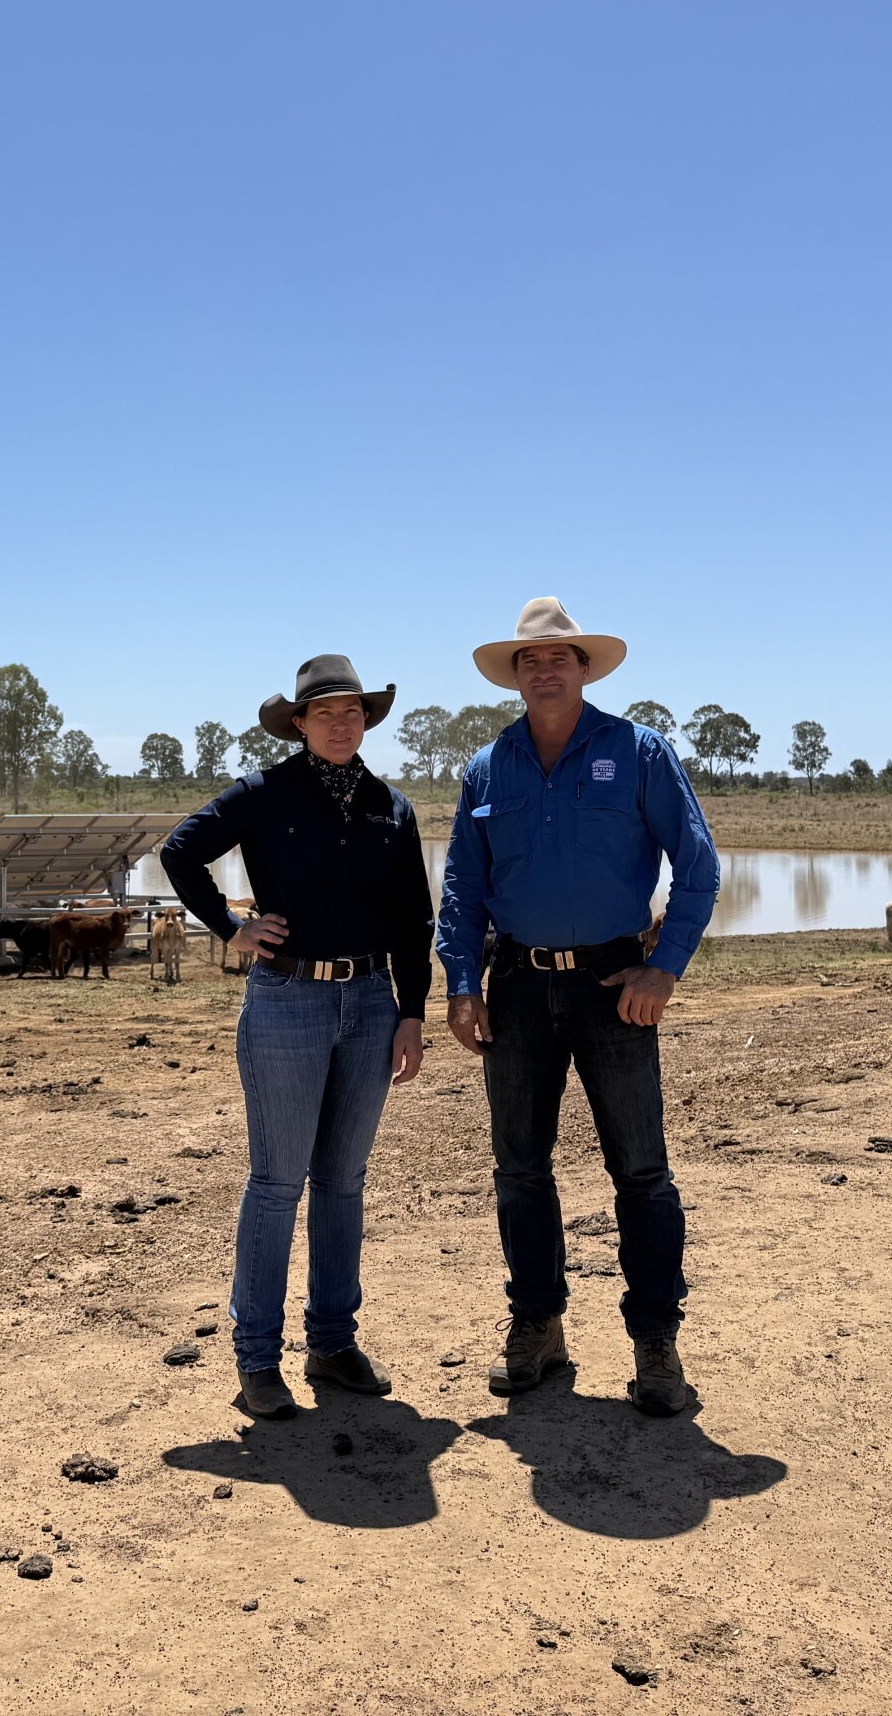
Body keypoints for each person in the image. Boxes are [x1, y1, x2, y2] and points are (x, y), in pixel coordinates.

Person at [436, 597, 721, 1416]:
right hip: (518, 986)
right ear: (514, 676)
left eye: (559, 656)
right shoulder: (488, 769)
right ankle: (538, 1325)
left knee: (641, 1169)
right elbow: (462, 890)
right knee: (519, 1168)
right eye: (530, 660)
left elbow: (698, 866)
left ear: (585, 667)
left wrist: (663, 970)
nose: (545, 669)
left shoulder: (638, 752)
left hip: (612, 986)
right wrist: (462, 983)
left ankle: (656, 1342)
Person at [161, 654, 432, 1420]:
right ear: (300, 724)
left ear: (366, 720)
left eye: (352, 711)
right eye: (325, 712)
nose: (341, 723)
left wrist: (413, 1011)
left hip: (372, 1003)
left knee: (343, 1181)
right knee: (278, 1182)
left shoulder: (390, 807)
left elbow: (413, 918)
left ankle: (333, 1344)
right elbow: (180, 851)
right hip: (287, 1002)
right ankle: (257, 1360)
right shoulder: (263, 794)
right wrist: (229, 927)